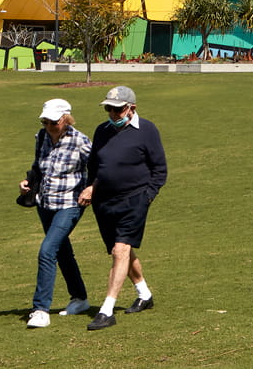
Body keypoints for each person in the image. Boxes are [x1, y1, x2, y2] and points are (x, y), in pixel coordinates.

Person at [79, 85, 167, 332]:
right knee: (121, 252)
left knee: (121, 250)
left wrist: (146, 197)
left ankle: (106, 310)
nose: (113, 114)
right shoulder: (102, 131)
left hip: (134, 200)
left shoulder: (147, 130)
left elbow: (159, 169)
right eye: (109, 109)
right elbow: (95, 167)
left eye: (118, 110)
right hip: (104, 202)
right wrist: (91, 188)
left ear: (131, 108)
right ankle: (144, 294)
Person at [20, 98, 94, 328]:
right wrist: (28, 181)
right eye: (45, 121)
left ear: (65, 118)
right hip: (45, 203)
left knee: (47, 250)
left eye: (53, 122)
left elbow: (100, 168)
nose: (48, 126)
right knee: (62, 251)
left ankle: (40, 309)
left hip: (70, 204)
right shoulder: (41, 136)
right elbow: (38, 165)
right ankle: (80, 298)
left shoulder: (81, 141)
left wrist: (91, 188)